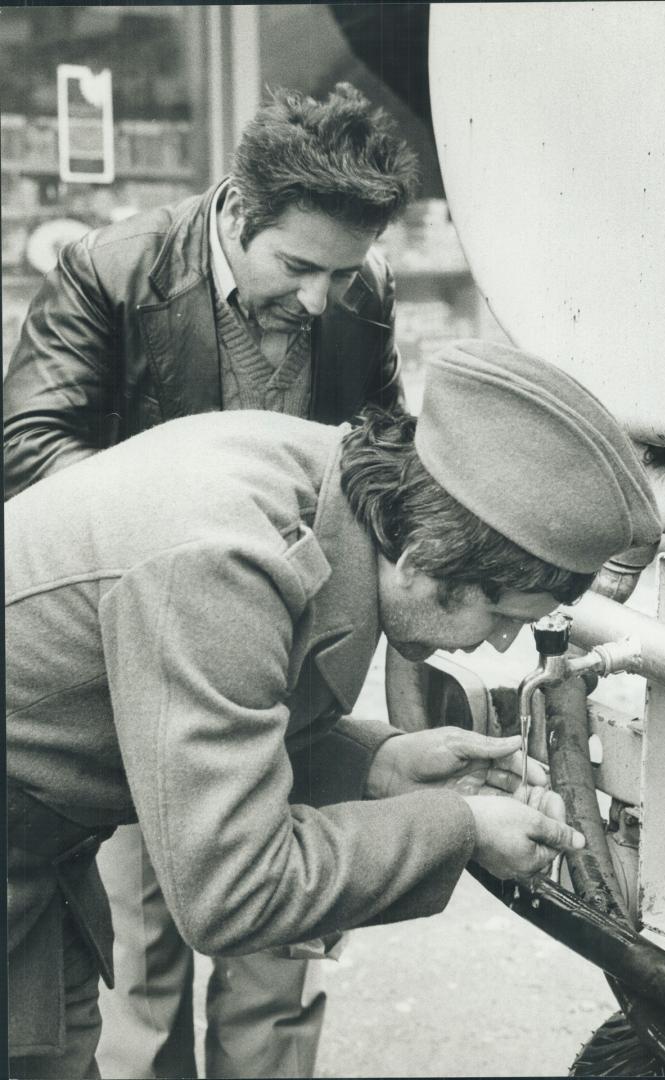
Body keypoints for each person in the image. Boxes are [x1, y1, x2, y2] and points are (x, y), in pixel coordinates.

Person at [6, 338, 662, 1080]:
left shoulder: (320, 482)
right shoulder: (222, 562)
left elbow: (197, 715)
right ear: (422, 564)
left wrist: (378, 765)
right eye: (503, 615)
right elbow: (232, 891)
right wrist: (461, 828)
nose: (497, 643)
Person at [3, 82, 418, 1079]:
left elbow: (382, 459)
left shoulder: (359, 295)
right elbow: (26, 451)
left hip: (280, 656)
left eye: (343, 273)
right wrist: (191, 552)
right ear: (239, 209)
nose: (321, 298)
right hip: (144, 644)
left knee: (281, 939)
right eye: (299, 267)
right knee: (151, 933)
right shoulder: (112, 267)